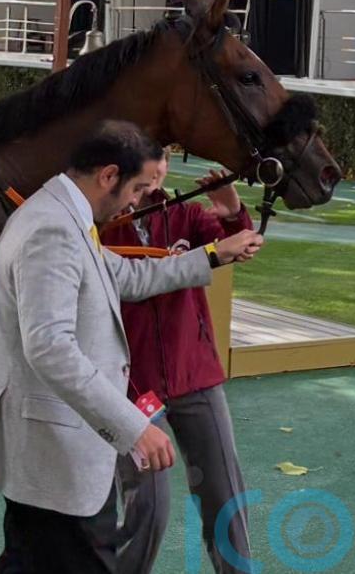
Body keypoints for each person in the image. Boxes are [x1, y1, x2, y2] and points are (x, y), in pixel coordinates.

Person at [0, 122, 264, 574]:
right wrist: (133, 426)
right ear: (108, 175)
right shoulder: (54, 229)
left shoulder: (65, 216)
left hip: (54, 455)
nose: (137, 200)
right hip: (58, 450)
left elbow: (129, 276)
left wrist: (213, 254)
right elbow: (49, 347)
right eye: (139, 188)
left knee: (28, 560)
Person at [101, 151, 254, 573]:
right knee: (148, 506)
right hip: (133, 387)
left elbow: (240, 244)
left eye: (162, 156)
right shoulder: (102, 225)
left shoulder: (185, 215)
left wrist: (232, 211)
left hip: (196, 375)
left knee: (225, 496)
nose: (155, 168)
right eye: (146, 157)